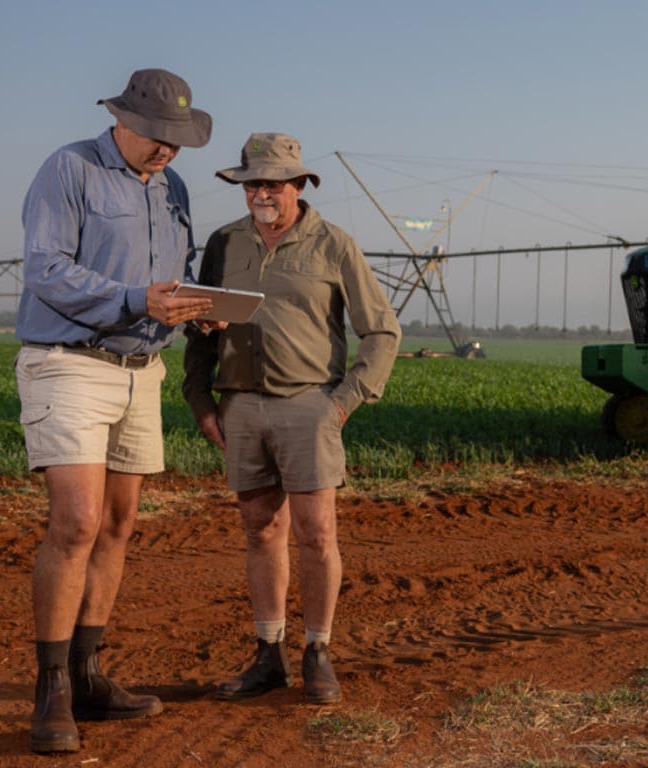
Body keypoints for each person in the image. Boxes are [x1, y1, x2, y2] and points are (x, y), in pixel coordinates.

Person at [14, 68, 214, 753]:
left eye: (177, 141)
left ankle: (88, 673)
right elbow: (45, 268)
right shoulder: (68, 168)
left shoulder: (174, 188)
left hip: (141, 369)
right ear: (121, 120)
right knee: (75, 522)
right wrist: (136, 301)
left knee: (119, 524)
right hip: (69, 363)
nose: (166, 150)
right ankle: (52, 691)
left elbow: (166, 282)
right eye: (156, 136)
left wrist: (193, 315)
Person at [182, 132, 400, 706]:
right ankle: (267, 655)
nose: (260, 194)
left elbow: (381, 331)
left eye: (272, 184)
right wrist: (201, 400)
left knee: (317, 534)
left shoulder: (333, 245)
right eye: (251, 183)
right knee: (260, 531)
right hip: (240, 404)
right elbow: (197, 324)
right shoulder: (223, 244)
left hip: (310, 404)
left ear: (298, 186)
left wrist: (344, 401)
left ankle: (318, 653)